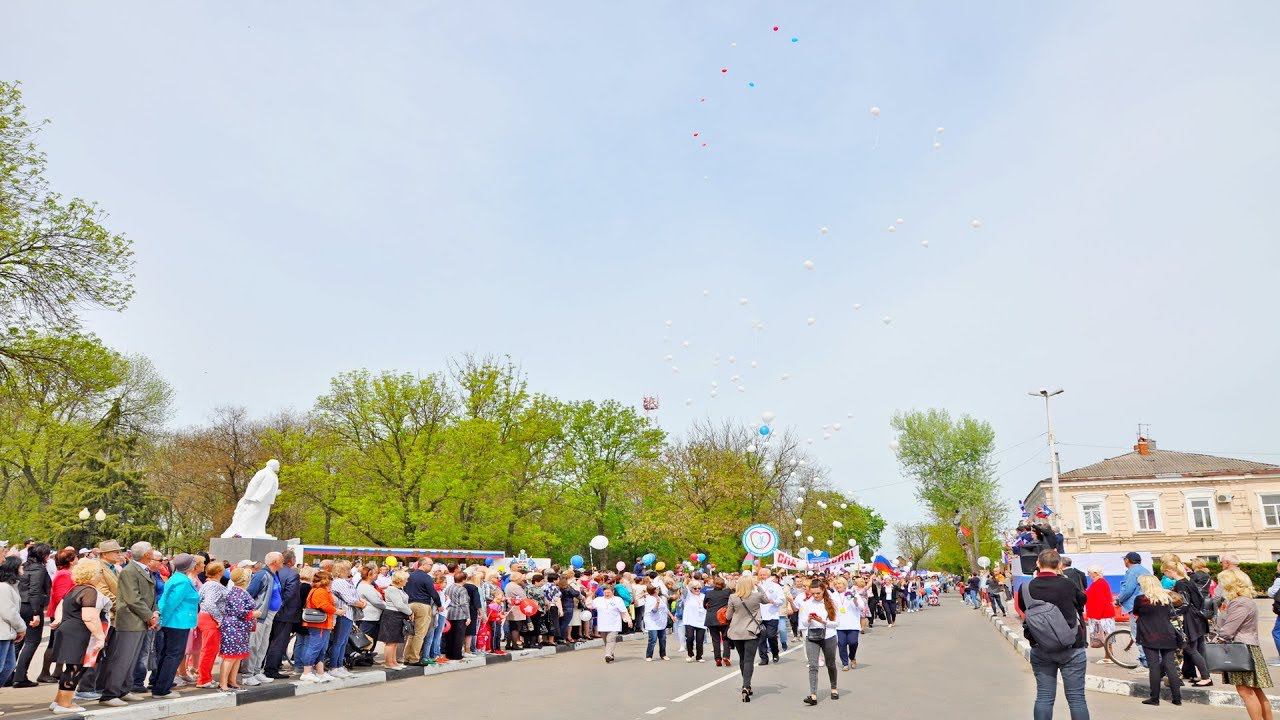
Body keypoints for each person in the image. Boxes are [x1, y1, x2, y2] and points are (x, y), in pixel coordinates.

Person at [1013, 549, 1089, 720]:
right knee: (1077, 699)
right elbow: (1082, 601)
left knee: (1044, 697)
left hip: (1040, 647)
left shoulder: (1026, 587)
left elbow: (1023, 609)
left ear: (1038, 564)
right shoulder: (1068, 584)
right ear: (1060, 565)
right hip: (1071, 647)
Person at [98, 541, 157, 707]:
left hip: (139, 620)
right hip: (130, 620)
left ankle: (123, 690)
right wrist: (149, 616)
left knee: (132, 659)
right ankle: (110, 694)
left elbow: (148, 596)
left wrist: (154, 613)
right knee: (123, 659)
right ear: (147, 554)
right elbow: (133, 599)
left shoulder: (140, 569)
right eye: (151, 550)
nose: (153, 552)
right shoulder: (130, 570)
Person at [50, 560, 111, 714]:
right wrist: (100, 637)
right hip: (78, 633)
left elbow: (60, 606)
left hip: (69, 630)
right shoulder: (89, 591)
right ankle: (65, 704)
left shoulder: (75, 589)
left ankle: (59, 701)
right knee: (75, 668)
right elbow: (89, 616)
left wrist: (58, 619)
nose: (100, 575)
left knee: (72, 668)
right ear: (93, 574)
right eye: (99, 572)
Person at [1217, 568, 1274, 720]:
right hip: (1247, 648)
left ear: (1230, 584)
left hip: (1241, 649)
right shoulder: (1244, 601)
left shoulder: (1239, 602)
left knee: (1246, 692)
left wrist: (1216, 639)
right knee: (1255, 690)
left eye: (1222, 583)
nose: (1220, 586)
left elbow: (1227, 631)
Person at [151, 553, 199, 699]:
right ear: (189, 566)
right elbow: (171, 603)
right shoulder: (183, 581)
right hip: (177, 623)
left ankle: (160, 685)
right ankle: (162, 689)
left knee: (168, 654)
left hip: (175, 622)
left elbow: (166, 601)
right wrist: (162, 619)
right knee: (173, 655)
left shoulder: (177, 578)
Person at [1133, 574, 1182, 705]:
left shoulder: (1141, 599)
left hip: (1149, 635)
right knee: (1170, 665)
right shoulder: (1166, 598)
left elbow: (1136, 612)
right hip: (1168, 634)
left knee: (1154, 666)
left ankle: (1154, 698)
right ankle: (1177, 698)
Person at [239, 552, 283, 686]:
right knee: (253, 645)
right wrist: (253, 612)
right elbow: (248, 594)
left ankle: (257, 671)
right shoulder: (262, 575)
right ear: (274, 562)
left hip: (269, 615)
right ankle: (248, 674)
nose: (283, 561)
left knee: (263, 645)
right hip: (260, 616)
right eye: (281, 560)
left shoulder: (273, 574)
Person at [1166, 560, 1212, 685]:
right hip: (1197, 618)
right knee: (1197, 648)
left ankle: (1206, 677)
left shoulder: (1180, 584)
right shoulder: (1188, 580)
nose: (1166, 576)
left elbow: (1184, 604)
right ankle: (1192, 673)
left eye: (1165, 573)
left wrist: (1170, 613)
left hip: (1189, 619)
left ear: (1169, 570)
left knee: (1190, 648)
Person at [12, 543, 50, 688]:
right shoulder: (38, 569)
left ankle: (10, 674)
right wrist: (36, 613)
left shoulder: (25, 567)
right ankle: (20, 677)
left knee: (20, 641)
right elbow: (35, 591)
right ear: (43, 555)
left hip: (22, 605)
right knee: (31, 641)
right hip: (32, 606)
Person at [37, 548, 77, 685]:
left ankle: (58, 671)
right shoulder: (64, 574)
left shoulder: (65, 573)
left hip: (64, 613)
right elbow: (61, 597)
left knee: (61, 643)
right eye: (75, 557)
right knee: (54, 643)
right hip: (61, 613)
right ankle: (44, 672)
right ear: (71, 560)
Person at [797, 578, 839, 706]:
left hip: (829, 636)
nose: (815, 595)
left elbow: (836, 623)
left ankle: (833, 688)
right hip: (812, 637)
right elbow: (802, 624)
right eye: (813, 593)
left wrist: (823, 621)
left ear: (823, 591)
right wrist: (809, 619)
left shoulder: (831, 603)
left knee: (830, 664)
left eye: (818, 593)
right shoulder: (806, 604)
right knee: (813, 666)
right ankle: (813, 695)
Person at [218, 567, 257, 692]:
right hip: (235, 627)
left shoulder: (237, 591)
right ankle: (223, 683)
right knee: (230, 657)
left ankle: (232, 681)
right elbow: (239, 611)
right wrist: (253, 614)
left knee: (236, 656)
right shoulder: (238, 593)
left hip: (239, 627)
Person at [726, 575, 762, 702]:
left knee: (742, 658)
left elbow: (728, 616)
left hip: (736, 631)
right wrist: (759, 586)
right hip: (751, 631)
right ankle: (746, 686)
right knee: (749, 660)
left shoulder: (733, 597)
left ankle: (746, 685)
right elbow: (768, 600)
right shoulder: (757, 596)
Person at [1114, 551, 1151, 670]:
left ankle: (1145, 662)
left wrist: (1118, 600)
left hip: (1136, 606)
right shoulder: (1144, 570)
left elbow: (1128, 589)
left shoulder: (1132, 571)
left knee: (1137, 634)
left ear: (1127, 560)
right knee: (1147, 633)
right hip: (1147, 605)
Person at [194, 560, 227, 688]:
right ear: (219, 572)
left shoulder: (207, 584)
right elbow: (209, 603)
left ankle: (206, 677)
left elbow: (201, 600)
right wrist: (219, 618)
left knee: (209, 650)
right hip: (210, 619)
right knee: (209, 650)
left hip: (205, 617)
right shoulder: (214, 585)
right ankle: (203, 680)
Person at [299, 570, 336, 683]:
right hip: (319, 624)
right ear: (326, 580)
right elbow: (324, 606)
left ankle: (320, 672)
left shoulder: (320, 590)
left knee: (321, 648)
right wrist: (337, 610)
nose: (332, 581)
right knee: (314, 647)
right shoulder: (320, 591)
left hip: (322, 624)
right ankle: (306, 672)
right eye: (330, 579)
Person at [403, 560, 440, 664]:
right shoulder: (426, 577)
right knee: (420, 633)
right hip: (422, 605)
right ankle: (414, 658)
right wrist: (439, 604)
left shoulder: (409, 575)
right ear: (423, 565)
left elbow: (404, 590)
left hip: (410, 605)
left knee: (411, 633)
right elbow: (433, 592)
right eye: (430, 565)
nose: (431, 567)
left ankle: (407, 657)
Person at [0, 557, 27, 692]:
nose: (23, 569)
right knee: (3, 666)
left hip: (7, 633)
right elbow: (9, 612)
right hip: (3, 632)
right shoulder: (4, 588)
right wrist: (21, 628)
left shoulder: (10, 586)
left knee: (9, 666)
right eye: (21, 566)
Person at [379, 571, 411, 670]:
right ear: (400, 580)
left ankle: (394, 662)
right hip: (392, 616)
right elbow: (399, 605)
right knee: (391, 641)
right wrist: (410, 612)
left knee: (395, 641)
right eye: (405, 579)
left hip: (397, 615)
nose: (407, 581)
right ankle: (389, 663)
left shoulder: (398, 589)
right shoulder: (393, 589)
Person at [1083, 565, 1116, 661]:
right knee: (1105, 636)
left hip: (1102, 615)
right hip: (1102, 614)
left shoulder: (1099, 583)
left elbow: (1101, 601)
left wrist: (1097, 616)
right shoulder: (1099, 582)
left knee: (1105, 635)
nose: (1089, 575)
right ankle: (1109, 656)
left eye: (1089, 573)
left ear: (1095, 573)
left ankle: (1109, 656)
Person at [755, 568, 783, 664]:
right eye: (760, 575)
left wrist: (774, 602)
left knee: (771, 636)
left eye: (764, 575)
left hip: (772, 615)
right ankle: (764, 658)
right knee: (761, 638)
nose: (762, 576)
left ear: (769, 575)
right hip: (759, 616)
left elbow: (781, 600)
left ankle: (775, 653)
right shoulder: (755, 586)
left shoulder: (776, 586)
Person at [832, 577, 860, 670]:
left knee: (853, 642)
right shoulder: (833, 595)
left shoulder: (852, 593)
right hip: (839, 625)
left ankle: (852, 657)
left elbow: (861, 606)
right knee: (841, 644)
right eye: (836, 584)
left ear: (844, 585)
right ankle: (845, 663)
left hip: (852, 623)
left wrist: (855, 600)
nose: (837, 586)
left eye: (839, 583)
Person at [703, 576, 732, 667]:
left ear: (714, 584)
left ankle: (718, 658)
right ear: (723, 585)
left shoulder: (709, 593)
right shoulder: (727, 592)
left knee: (715, 640)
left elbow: (704, 605)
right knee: (726, 638)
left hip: (711, 618)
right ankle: (726, 656)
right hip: (723, 618)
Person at [594, 584, 626, 663]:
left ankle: (607, 655)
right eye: (605, 593)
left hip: (614, 624)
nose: (607, 594)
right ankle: (610, 653)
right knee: (606, 641)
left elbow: (623, 611)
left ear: (613, 592)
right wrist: (589, 596)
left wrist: (628, 620)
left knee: (610, 640)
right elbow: (589, 606)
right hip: (602, 624)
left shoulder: (618, 600)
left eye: (608, 592)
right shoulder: (598, 600)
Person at [442, 570, 470, 660]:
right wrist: (468, 616)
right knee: (459, 636)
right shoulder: (462, 589)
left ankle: (449, 654)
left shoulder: (449, 588)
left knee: (449, 635)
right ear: (463, 580)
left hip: (449, 613)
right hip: (459, 614)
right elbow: (464, 604)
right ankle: (457, 655)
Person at [642, 585, 674, 661]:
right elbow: (654, 610)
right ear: (654, 590)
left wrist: (671, 616)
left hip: (661, 622)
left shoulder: (659, 597)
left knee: (663, 639)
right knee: (653, 639)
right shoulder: (649, 599)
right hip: (652, 622)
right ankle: (649, 656)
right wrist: (657, 603)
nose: (658, 590)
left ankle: (663, 654)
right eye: (657, 589)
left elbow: (665, 608)